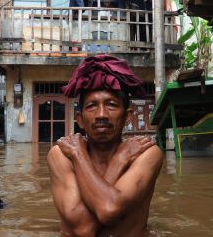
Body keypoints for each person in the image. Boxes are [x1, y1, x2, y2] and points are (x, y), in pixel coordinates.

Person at [47, 54, 163, 237]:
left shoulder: (147, 154)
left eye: (111, 104)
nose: (101, 114)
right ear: (80, 120)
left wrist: (85, 155)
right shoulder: (62, 154)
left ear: (128, 117)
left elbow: (109, 209)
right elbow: (82, 230)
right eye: (92, 106)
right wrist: (116, 160)